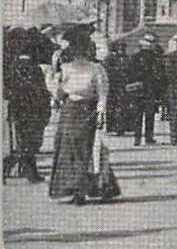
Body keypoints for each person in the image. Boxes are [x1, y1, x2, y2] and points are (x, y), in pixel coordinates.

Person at [49, 31, 118, 205]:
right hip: (85, 109)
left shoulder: (67, 68)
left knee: (73, 148)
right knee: (86, 148)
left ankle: (75, 187)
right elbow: (102, 94)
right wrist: (101, 113)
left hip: (73, 109)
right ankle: (82, 188)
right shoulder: (96, 69)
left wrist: (55, 83)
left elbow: (58, 94)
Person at [4, 40, 51, 183]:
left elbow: (6, 90)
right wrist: (46, 109)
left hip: (17, 109)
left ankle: (24, 170)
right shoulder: (35, 69)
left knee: (22, 142)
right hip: (33, 110)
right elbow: (41, 91)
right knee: (30, 143)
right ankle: (14, 168)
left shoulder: (12, 67)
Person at [125, 35, 165, 146]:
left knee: (137, 115)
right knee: (149, 115)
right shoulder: (155, 58)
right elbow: (159, 75)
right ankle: (149, 137)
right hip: (150, 89)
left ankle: (137, 138)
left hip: (137, 89)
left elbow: (128, 72)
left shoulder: (134, 57)